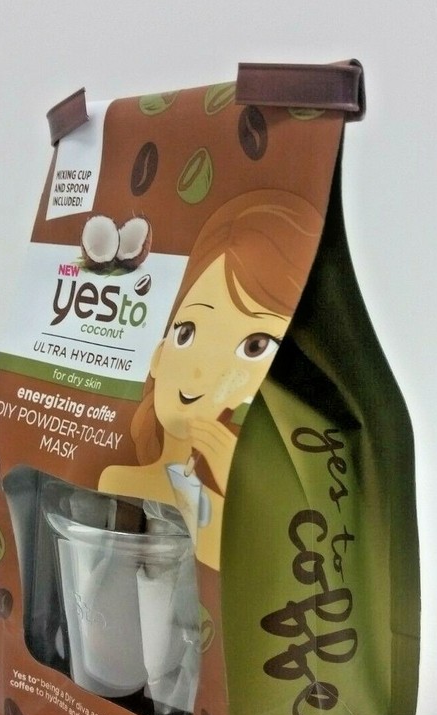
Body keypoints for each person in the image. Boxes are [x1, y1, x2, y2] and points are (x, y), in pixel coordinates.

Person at [99, 189, 323, 569]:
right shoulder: (116, 481)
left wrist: (238, 488)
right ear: (158, 353)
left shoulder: (232, 513)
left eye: (254, 346)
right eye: (186, 332)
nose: (201, 373)